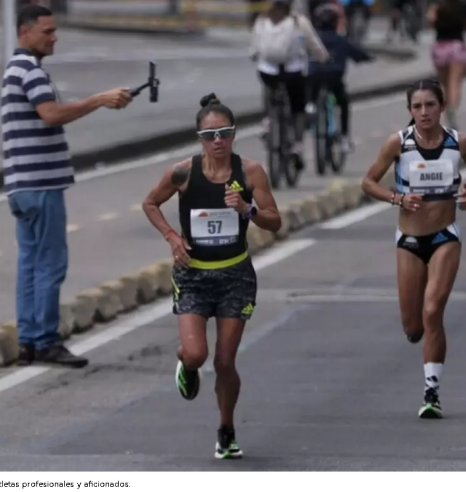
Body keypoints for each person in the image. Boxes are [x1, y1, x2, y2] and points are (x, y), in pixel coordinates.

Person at [142, 93, 282, 459]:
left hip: (235, 274)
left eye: (225, 133)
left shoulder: (249, 172)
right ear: (199, 138)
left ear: (234, 135)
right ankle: (186, 365)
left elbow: (274, 221)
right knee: (196, 353)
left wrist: (247, 208)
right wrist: (172, 237)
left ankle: (226, 429)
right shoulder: (183, 173)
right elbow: (150, 203)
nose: (217, 141)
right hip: (193, 275)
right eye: (210, 135)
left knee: (223, 361)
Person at [2, 5, 132, 368]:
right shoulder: (29, 70)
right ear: (25, 32)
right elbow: (51, 114)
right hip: (40, 185)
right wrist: (99, 100)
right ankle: (45, 341)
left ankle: (28, 341)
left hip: (22, 185)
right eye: (47, 31)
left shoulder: (17, 68)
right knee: (50, 265)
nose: (54, 37)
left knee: (30, 264)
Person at [360, 79, 466, 419]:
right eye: (416, 107)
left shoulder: (459, 142)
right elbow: (368, 181)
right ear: (409, 111)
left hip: (445, 236)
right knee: (413, 327)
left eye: (429, 105)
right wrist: (398, 198)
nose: (423, 112)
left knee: (433, 312)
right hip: (409, 240)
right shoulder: (398, 144)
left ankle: (431, 392)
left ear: (441, 106)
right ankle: (421, 345)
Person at [250, 0, 329, 166]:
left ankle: (268, 120)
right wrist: (324, 58)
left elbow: (254, 48)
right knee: (298, 108)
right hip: (294, 70)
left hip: (268, 70)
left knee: (269, 89)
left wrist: (256, 56)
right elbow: (314, 44)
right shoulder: (299, 21)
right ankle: (298, 144)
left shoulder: (262, 19)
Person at [307, 4, 373, 153]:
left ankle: (310, 109)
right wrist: (368, 57)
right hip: (334, 78)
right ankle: (344, 137)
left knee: (309, 98)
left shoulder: (311, 39)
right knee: (343, 102)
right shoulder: (341, 39)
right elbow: (358, 53)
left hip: (313, 77)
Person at [427, 0, 466, 129]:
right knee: (455, 82)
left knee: (445, 84)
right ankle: (452, 109)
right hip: (457, 46)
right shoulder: (464, 7)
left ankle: (445, 109)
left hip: (440, 47)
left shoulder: (437, 6)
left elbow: (431, 21)